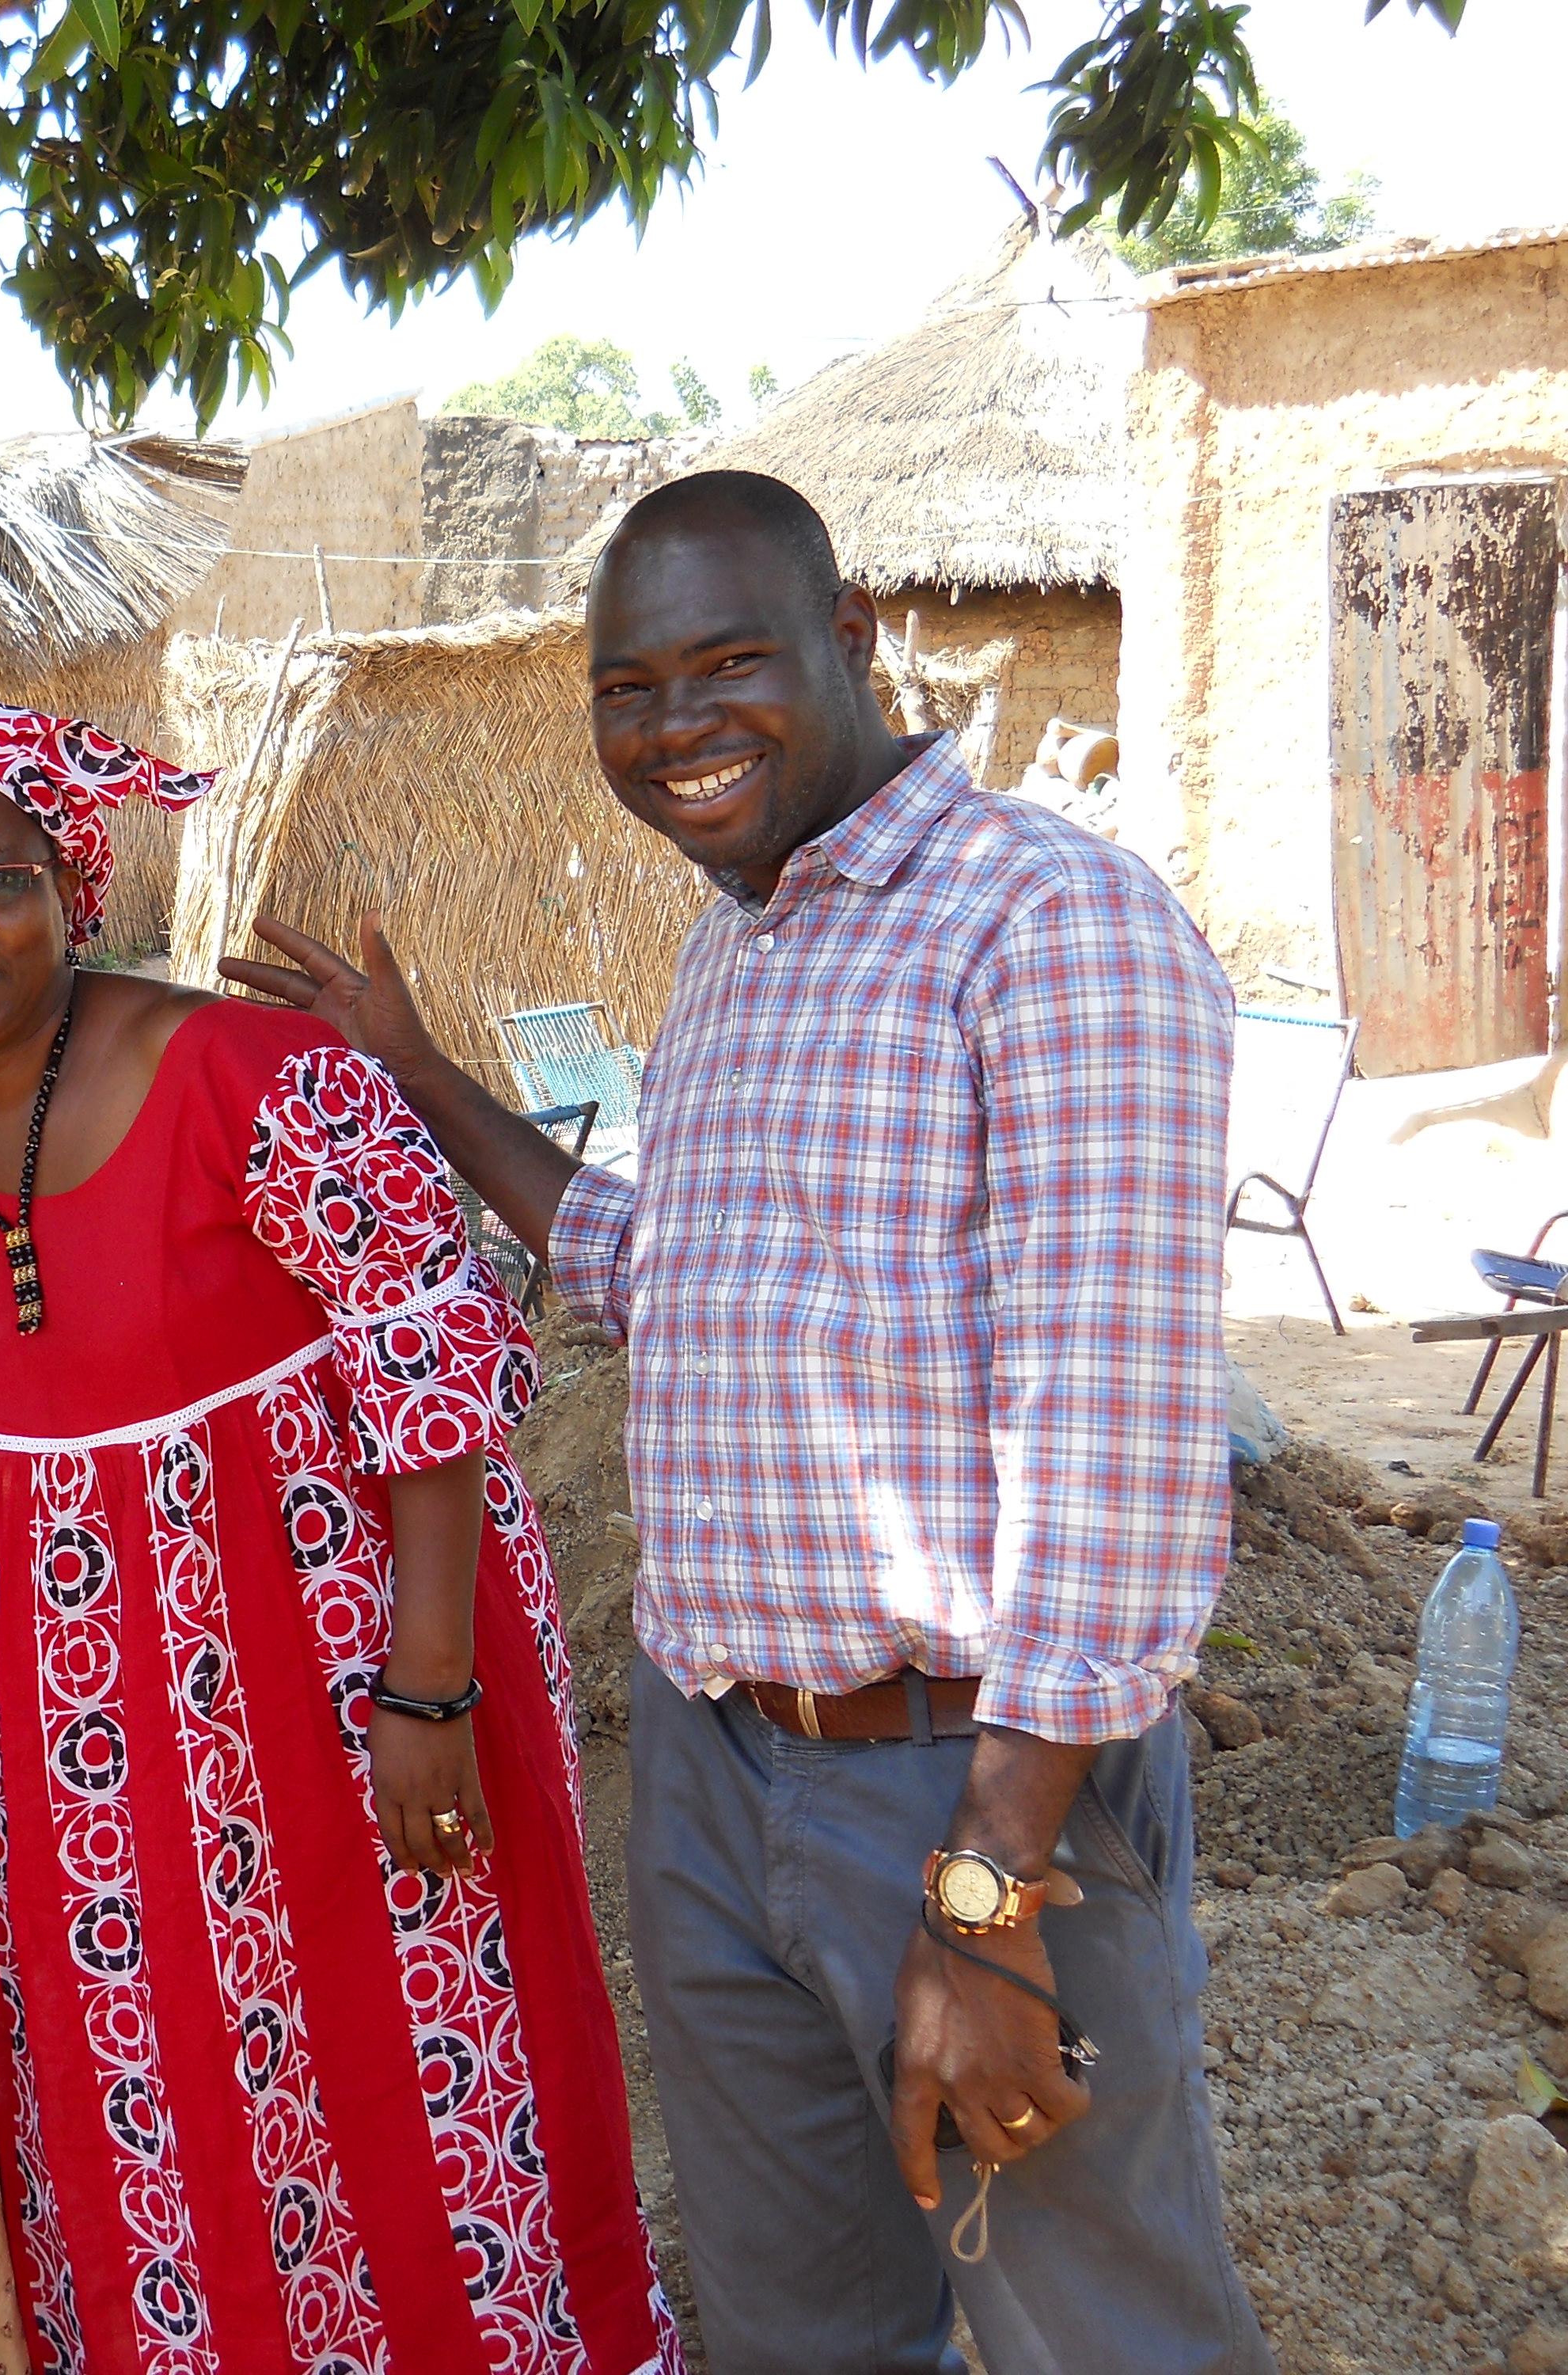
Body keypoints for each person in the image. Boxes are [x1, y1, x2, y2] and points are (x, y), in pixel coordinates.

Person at [222, 471, 1270, 2374]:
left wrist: (981, 1896)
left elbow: (1111, 1465)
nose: (674, 729)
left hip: (959, 1781)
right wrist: (419, 1075)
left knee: (1094, 2325)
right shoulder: (737, 945)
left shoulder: (1046, 924)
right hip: (721, 1774)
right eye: (629, 689)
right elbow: (647, 1270)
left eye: (727, 663)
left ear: (849, 636)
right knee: (799, 2330)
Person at [0, 698, 680, 2375]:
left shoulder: (263, 1080)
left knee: (412, 2094)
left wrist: (428, 1694)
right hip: (73, 1779)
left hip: (346, 1712)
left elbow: (431, 1376)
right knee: (149, 2130)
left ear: (72, 887)